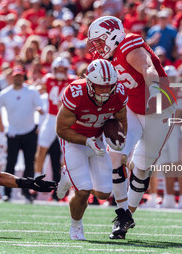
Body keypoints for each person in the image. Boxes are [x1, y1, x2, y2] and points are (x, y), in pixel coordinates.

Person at [88, 16, 175, 239]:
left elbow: (148, 69)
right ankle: (123, 216)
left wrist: (156, 93)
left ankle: (128, 213)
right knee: (116, 155)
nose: (97, 48)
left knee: (142, 167)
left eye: (99, 42)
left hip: (158, 109)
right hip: (131, 109)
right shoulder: (106, 58)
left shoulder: (129, 43)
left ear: (112, 35)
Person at [55, 59, 128, 240]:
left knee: (103, 193)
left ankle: (69, 176)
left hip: (97, 139)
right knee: (84, 190)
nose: (105, 90)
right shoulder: (75, 92)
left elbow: (122, 120)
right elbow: (61, 129)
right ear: (89, 83)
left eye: (108, 86)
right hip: (74, 139)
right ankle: (76, 226)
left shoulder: (118, 93)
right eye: (100, 86)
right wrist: (86, 141)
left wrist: (120, 138)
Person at [0, 66, 45, 202]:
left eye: (20, 76)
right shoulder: (5, 94)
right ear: (12, 77)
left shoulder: (31, 91)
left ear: (23, 77)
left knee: (29, 163)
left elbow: (42, 107)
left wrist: (40, 116)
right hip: (13, 132)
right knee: (10, 164)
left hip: (29, 131)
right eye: (16, 76)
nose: (18, 78)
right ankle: (7, 193)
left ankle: (26, 192)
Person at [34, 57, 76, 200]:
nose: (60, 72)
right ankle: (36, 180)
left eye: (62, 70)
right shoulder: (47, 79)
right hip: (51, 117)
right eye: (58, 70)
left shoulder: (72, 80)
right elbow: (36, 90)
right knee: (41, 150)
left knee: (67, 154)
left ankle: (67, 185)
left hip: (65, 119)